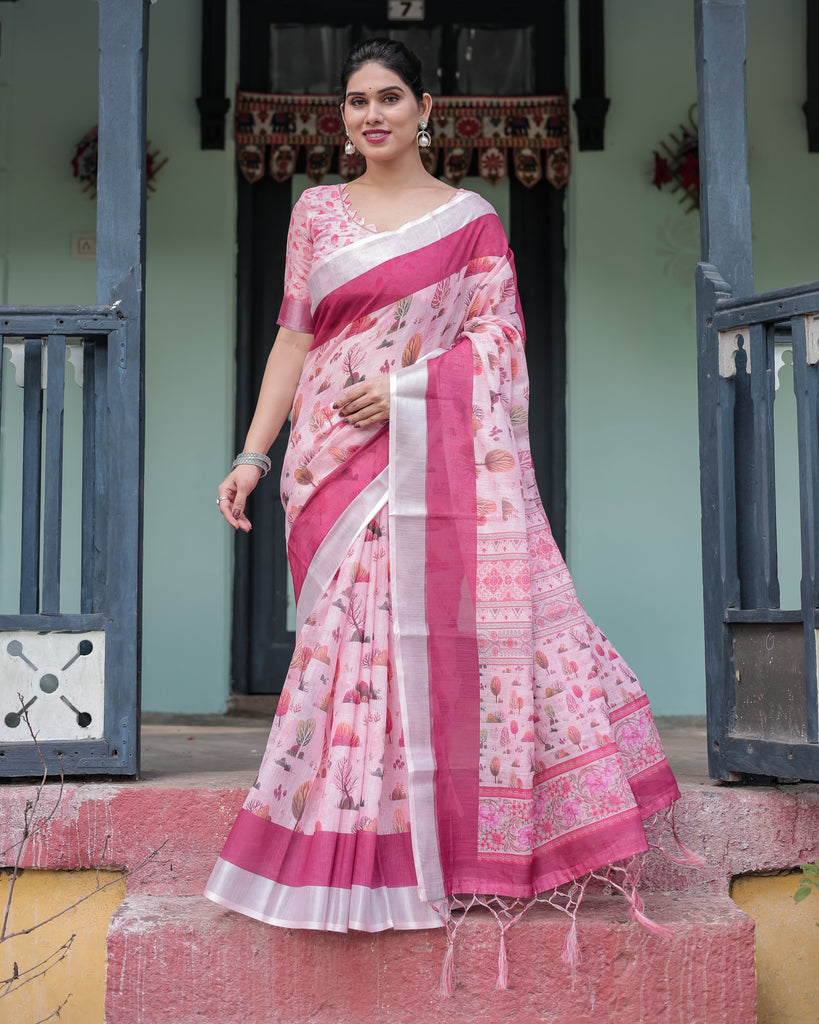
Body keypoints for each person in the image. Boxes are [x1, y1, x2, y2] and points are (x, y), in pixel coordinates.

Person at [205, 38, 692, 991]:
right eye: (356, 102)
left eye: (389, 98)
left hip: (413, 457)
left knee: (400, 639)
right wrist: (252, 456)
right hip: (324, 463)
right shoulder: (314, 212)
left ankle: (406, 844)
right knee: (341, 648)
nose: (371, 116)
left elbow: (501, 344)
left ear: (425, 108)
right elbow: (292, 344)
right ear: (341, 117)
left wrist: (407, 391)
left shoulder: (470, 222)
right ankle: (335, 832)